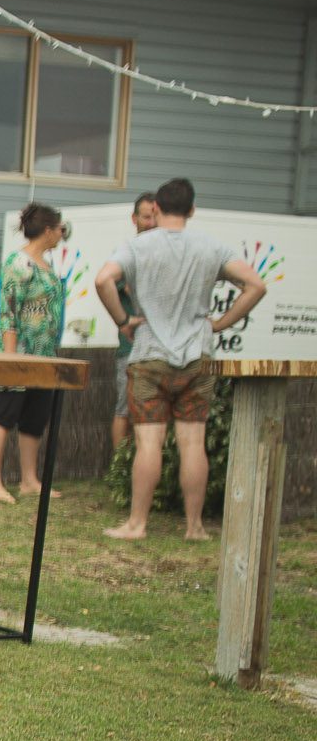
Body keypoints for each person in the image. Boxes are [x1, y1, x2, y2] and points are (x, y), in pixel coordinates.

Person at [95, 177, 267, 541]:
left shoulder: (138, 246)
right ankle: (195, 527)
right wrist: (220, 323)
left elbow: (102, 280)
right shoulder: (211, 247)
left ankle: (137, 524)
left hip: (149, 355)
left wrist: (124, 321)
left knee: (148, 444)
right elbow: (257, 285)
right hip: (197, 357)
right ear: (192, 210)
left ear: (155, 208)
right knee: (193, 443)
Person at [0, 202, 69, 503]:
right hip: (18, 352)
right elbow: (8, 311)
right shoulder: (18, 264)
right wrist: (10, 359)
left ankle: (29, 479)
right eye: (60, 228)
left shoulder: (47, 264)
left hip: (43, 354)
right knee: (5, 413)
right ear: (47, 231)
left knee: (35, 416)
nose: (62, 234)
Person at [109, 192, 160, 454]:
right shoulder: (127, 254)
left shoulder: (167, 252)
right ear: (134, 218)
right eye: (145, 216)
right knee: (124, 408)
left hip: (165, 350)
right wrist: (125, 320)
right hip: (131, 349)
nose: (151, 222)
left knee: (157, 413)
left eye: (155, 216)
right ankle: (120, 470)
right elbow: (122, 287)